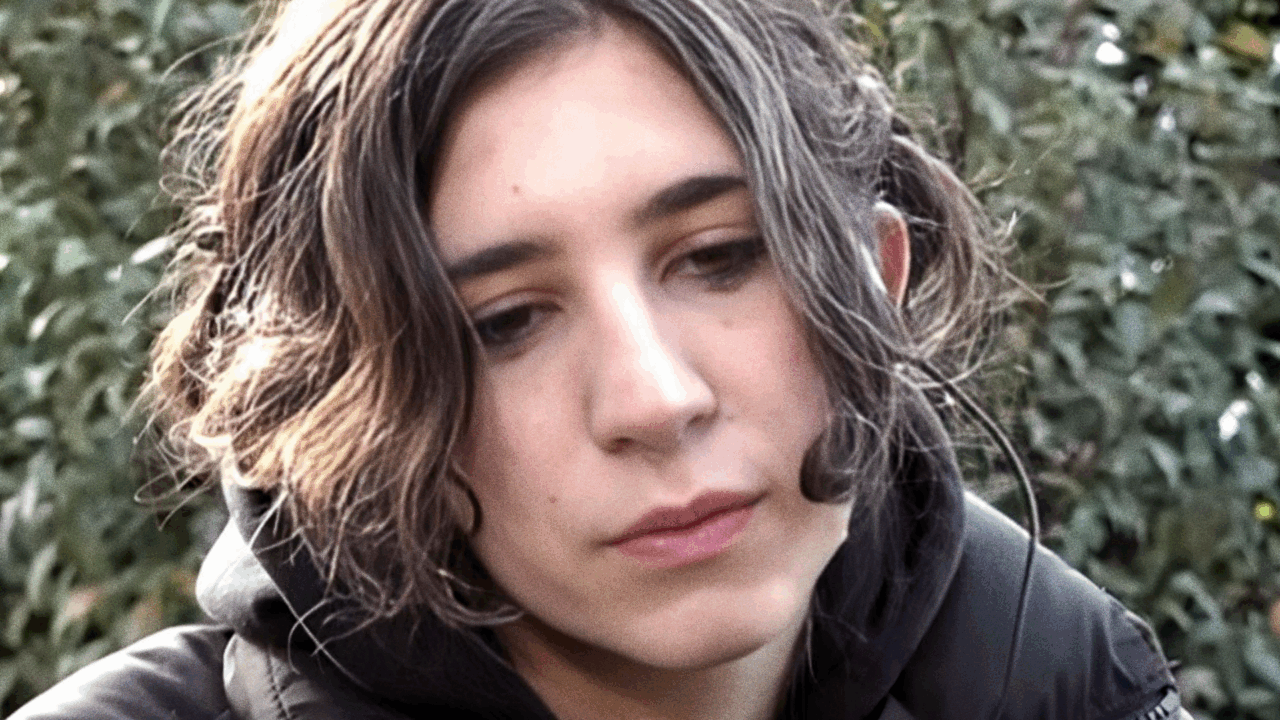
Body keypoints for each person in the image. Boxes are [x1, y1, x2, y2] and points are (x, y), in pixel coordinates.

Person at [13, 1, 1188, 719]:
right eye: (503, 322)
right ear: (340, 408)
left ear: (876, 274)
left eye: (718, 257)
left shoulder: (1078, 684)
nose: (654, 399)